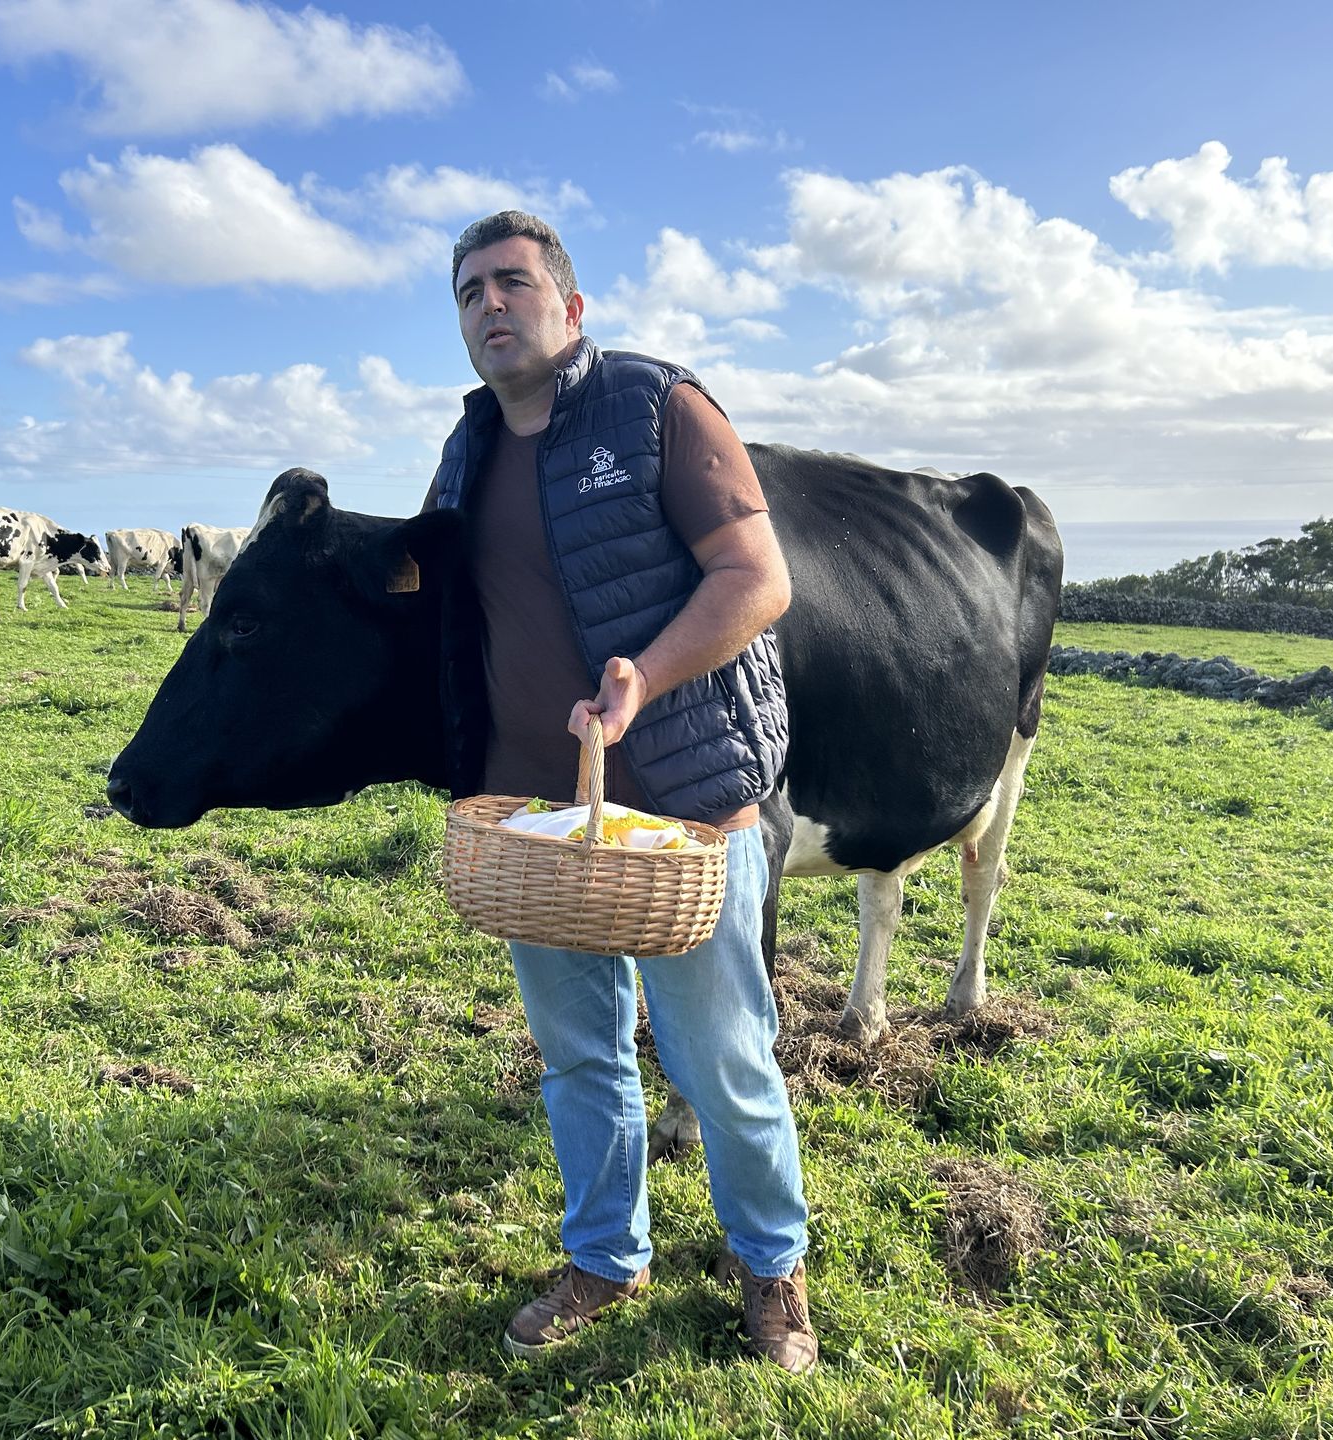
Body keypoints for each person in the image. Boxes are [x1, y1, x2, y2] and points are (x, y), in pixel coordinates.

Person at [424, 211, 817, 1372]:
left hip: (682, 813)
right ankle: (606, 1255)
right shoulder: (468, 446)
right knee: (580, 1057)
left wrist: (646, 675)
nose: (489, 307)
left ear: (572, 305)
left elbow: (759, 575)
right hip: (541, 823)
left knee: (724, 1057)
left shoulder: (656, 406)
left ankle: (772, 1266)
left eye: (511, 283)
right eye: (466, 294)